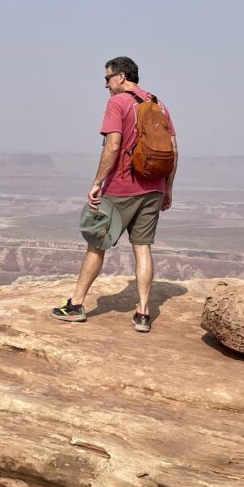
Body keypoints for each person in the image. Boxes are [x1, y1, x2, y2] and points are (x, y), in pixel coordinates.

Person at [51, 57, 177, 332]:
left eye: (106, 79)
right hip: (153, 186)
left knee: (97, 244)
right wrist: (167, 188)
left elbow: (112, 146)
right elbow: (174, 150)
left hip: (122, 187)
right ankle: (143, 313)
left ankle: (76, 305)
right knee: (142, 248)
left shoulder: (117, 103)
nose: (105, 85)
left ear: (120, 77)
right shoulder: (159, 105)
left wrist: (98, 182)